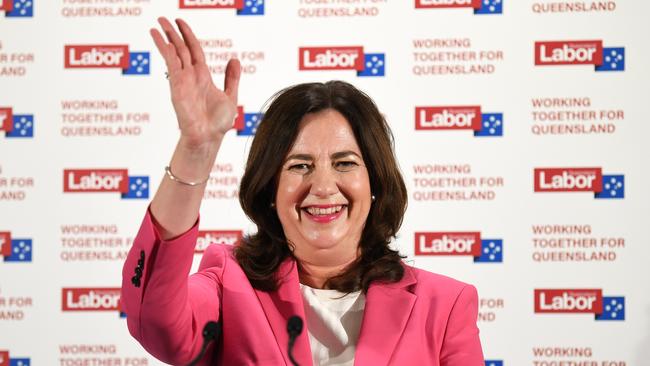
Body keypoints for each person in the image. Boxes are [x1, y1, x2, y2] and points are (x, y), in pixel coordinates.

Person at [120, 17, 485, 366]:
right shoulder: (227, 286)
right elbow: (158, 325)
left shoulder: (446, 305)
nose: (324, 187)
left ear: (375, 181)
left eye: (344, 163)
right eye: (300, 165)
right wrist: (195, 149)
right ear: (270, 188)